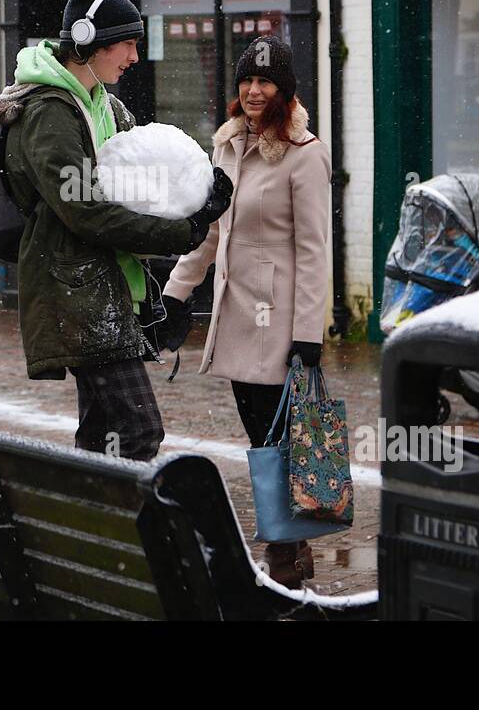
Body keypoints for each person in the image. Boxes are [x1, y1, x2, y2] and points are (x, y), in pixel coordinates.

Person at [0, 0, 233, 462]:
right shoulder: (50, 113)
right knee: (139, 430)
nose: (135, 58)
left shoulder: (103, 106)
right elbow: (86, 211)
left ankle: (84, 530)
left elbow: (140, 183)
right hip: (76, 292)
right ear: (87, 41)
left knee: (102, 437)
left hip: (103, 287)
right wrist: (182, 233)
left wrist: (200, 196)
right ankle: (124, 534)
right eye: (126, 45)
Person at [158, 35, 332, 588]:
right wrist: (175, 293)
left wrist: (308, 334)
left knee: (280, 441)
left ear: (285, 90)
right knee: (263, 440)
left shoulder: (306, 154)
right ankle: (291, 551)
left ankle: (284, 558)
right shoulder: (228, 146)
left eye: (266, 81)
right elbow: (211, 232)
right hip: (237, 319)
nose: (255, 91)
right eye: (247, 82)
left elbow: (314, 249)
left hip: (279, 322)